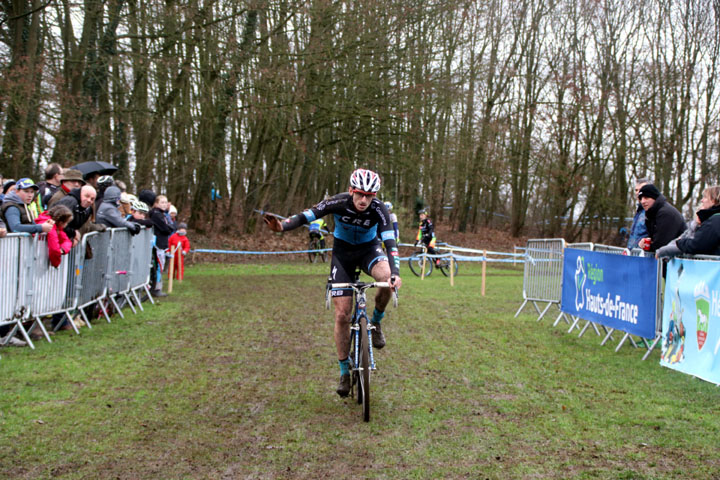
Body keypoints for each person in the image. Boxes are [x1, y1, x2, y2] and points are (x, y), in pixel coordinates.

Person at [264, 168, 402, 397]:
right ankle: (344, 372)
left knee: (387, 281)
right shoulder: (336, 202)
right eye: (360, 194)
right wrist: (282, 227)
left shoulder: (380, 210)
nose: (364, 200)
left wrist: (396, 273)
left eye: (369, 195)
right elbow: (306, 216)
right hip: (343, 255)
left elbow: (391, 244)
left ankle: (376, 322)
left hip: (370, 251)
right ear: (351, 191)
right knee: (342, 315)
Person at [657, 186, 720, 258]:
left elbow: (697, 245)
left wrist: (680, 243)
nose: (702, 200)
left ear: (714, 200)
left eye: (705, 197)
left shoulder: (714, 221)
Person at [637, 184, 686, 253]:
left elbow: (662, 244)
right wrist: (646, 242)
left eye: (646, 197)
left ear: (654, 198)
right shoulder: (651, 213)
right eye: (641, 198)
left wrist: (648, 247)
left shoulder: (665, 213)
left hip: (676, 258)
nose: (642, 201)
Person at [148, 194, 174, 297]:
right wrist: (169, 227)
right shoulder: (156, 214)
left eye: (165, 202)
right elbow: (166, 228)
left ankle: (157, 286)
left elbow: (171, 226)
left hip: (162, 243)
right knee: (159, 265)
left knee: (161, 265)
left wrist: (170, 227)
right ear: (156, 203)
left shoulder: (163, 214)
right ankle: (156, 288)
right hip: (158, 243)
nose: (164, 204)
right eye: (162, 202)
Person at [628, 178, 651, 249]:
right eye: (636, 190)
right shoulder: (639, 211)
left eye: (641, 189)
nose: (638, 192)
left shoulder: (652, 211)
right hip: (633, 254)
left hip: (644, 255)